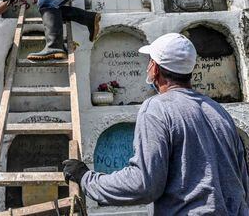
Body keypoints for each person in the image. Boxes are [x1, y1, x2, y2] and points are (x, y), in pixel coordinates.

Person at [63, 33, 249, 215]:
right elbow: (243, 181)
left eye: (150, 61)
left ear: (155, 68)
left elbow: (144, 183)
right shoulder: (218, 111)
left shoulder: (157, 108)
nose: (147, 67)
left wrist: (87, 178)